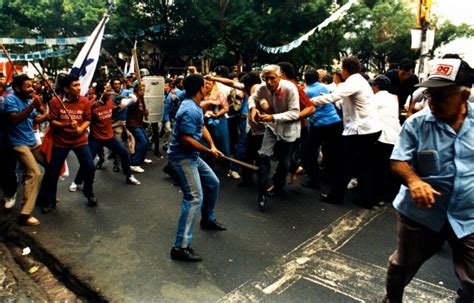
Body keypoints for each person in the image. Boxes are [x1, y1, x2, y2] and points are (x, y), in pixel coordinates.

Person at [382, 58, 474, 303]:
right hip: (420, 216)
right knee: (402, 266)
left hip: (468, 215)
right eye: (429, 95)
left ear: (464, 96)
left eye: (440, 97)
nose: (431, 102)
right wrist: (414, 181)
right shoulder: (417, 123)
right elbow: (398, 161)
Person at [168, 74, 226, 262]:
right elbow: (187, 139)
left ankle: (207, 219)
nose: (208, 86)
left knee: (213, 183)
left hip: (192, 156)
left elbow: (201, 129)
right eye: (205, 85)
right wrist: (209, 151)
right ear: (201, 88)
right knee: (193, 197)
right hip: (182, 158)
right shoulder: (189, 110)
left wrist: (213, 147)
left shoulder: (195, 106)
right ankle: (180, 247)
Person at [311, 57, 381, 209]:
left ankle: (336, 196)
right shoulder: (358, 81)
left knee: (344, 163)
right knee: (364, 165)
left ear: (345, 70)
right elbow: (339, 99)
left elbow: (335, 97)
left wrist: (311, 100)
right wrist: (323, 98)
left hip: (360, 130)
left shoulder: (353, 81)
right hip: (367, 129)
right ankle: (367, 199)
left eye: (341, 69)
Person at [37, 74, 96, 213]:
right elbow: (52, 120)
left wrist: (81, 128)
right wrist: (66, 124)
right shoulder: (55, 101)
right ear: (66, 89)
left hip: (80, 141)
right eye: (75, 85)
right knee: (53, 172)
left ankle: (88, 191)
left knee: (90, 167)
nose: (79, 88)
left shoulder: (84, 101)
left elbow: (88, 118)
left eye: (79, 84)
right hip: (60, 142)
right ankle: (50, 201)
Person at [249, 64, 300, 211]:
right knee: (263, 156)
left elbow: (295, 113)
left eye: (272, 78)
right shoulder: (263, 87)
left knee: (284, 162)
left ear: (279, 77)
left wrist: (273, 116)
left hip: (288, 129)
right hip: (272, 127)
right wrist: (253, 108)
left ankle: (279, 184)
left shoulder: (290, 88)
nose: (269, 82)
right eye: (266, 79)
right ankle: (261, 193)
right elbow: (253, 98)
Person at [71, 82, 140, 189]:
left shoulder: (109, 101)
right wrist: (91, 108)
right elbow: (84, 118)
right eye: (107, 90)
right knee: (88, 161)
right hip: (96, 138)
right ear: (100, 92)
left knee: (124, 153)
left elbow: (112, 111)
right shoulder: (92, 104)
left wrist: (121, 106)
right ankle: (77, 182)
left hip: (109, 136)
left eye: (110, 90)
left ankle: (129, 176)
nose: (110, 92)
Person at [3, 74, 49, 225]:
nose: (31, 89)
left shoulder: (29, 99)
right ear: (17, 88)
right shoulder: (11, 99)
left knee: (51, 163)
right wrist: (32, 106)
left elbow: (34, 119)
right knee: (34, 173)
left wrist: (49, 115)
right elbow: (15, 119)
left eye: (31, 86)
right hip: (18, 143)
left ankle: (45, 195)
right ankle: (24, 214)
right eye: (27, 87)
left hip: (31, 141)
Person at [302, 68, 343, 191]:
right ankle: (334, 178)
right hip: (335, 121)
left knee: (308, 151)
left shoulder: (306, 92)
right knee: (334, 151)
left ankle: (315, 181)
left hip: (320, 124)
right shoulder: (325, 87)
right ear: (318, 78)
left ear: (305, 79)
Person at [369, 75, 401, 204]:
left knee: (377, 169)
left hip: (383, 136)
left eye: (372, 85)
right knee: (390, 168)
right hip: (396, 135)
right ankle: (392, 195)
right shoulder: (393, 98)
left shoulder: (375, 98)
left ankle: (377, 197)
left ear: (376, 86)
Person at [127, 80, 150, 173]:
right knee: (143, 142)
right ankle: (134, 164)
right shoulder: (134, 97)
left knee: (146, 141)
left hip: (139, 123)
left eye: (144, 86)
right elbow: (129, 104)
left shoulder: (141, 97)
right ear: (137, 87)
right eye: (142, 86)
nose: (144, 88)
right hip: (133, 123)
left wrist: (145, 112)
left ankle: (141, 158)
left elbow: (141, 111)